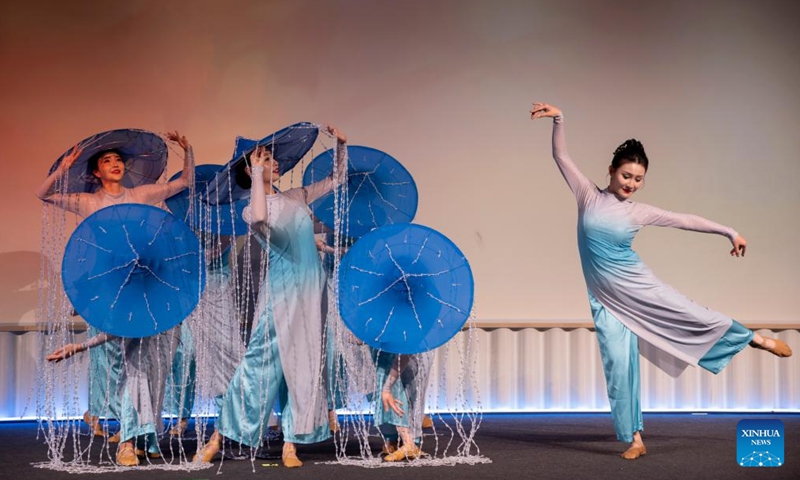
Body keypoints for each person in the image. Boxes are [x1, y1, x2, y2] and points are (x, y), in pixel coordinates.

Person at [530, 102, 792, 460]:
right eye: (626, 176)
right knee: (619, 366)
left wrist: (729, 231)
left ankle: (753, 338)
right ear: (611, 171)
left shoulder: (638, 211)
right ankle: (635, 439)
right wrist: (559, 119)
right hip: (605, 297)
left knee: (689, 312)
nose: (631, 184)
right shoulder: (587, 195)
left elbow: (685, 220)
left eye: (638, 179)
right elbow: (561, 156)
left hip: (637, 285)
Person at [194, 126, 347, 468]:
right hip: (280, 295)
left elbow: (338, 177)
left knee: (304, 366)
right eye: (262, 157)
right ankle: (219, 435)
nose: (272, 161)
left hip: (312, 291)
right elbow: (262, 217)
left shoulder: (296, 195)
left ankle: (291, 443)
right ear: (250, 170)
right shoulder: (252, 210)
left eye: (271, 156)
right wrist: (258, 172)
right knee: (258, 367)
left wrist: (340, 144)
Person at [42, 131, 195, 466]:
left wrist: (188, 150)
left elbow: (185, 181)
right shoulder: (90, 202)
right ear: (96, 172)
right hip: (114, 284)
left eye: (117, 160)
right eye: (105, 161)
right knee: (134, 363)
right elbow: (45, 195)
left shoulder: (141, 194)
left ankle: (141, 436)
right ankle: (126, 440)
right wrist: (63, 169)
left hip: (151, 277)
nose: (114, 164)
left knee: (154, 366)